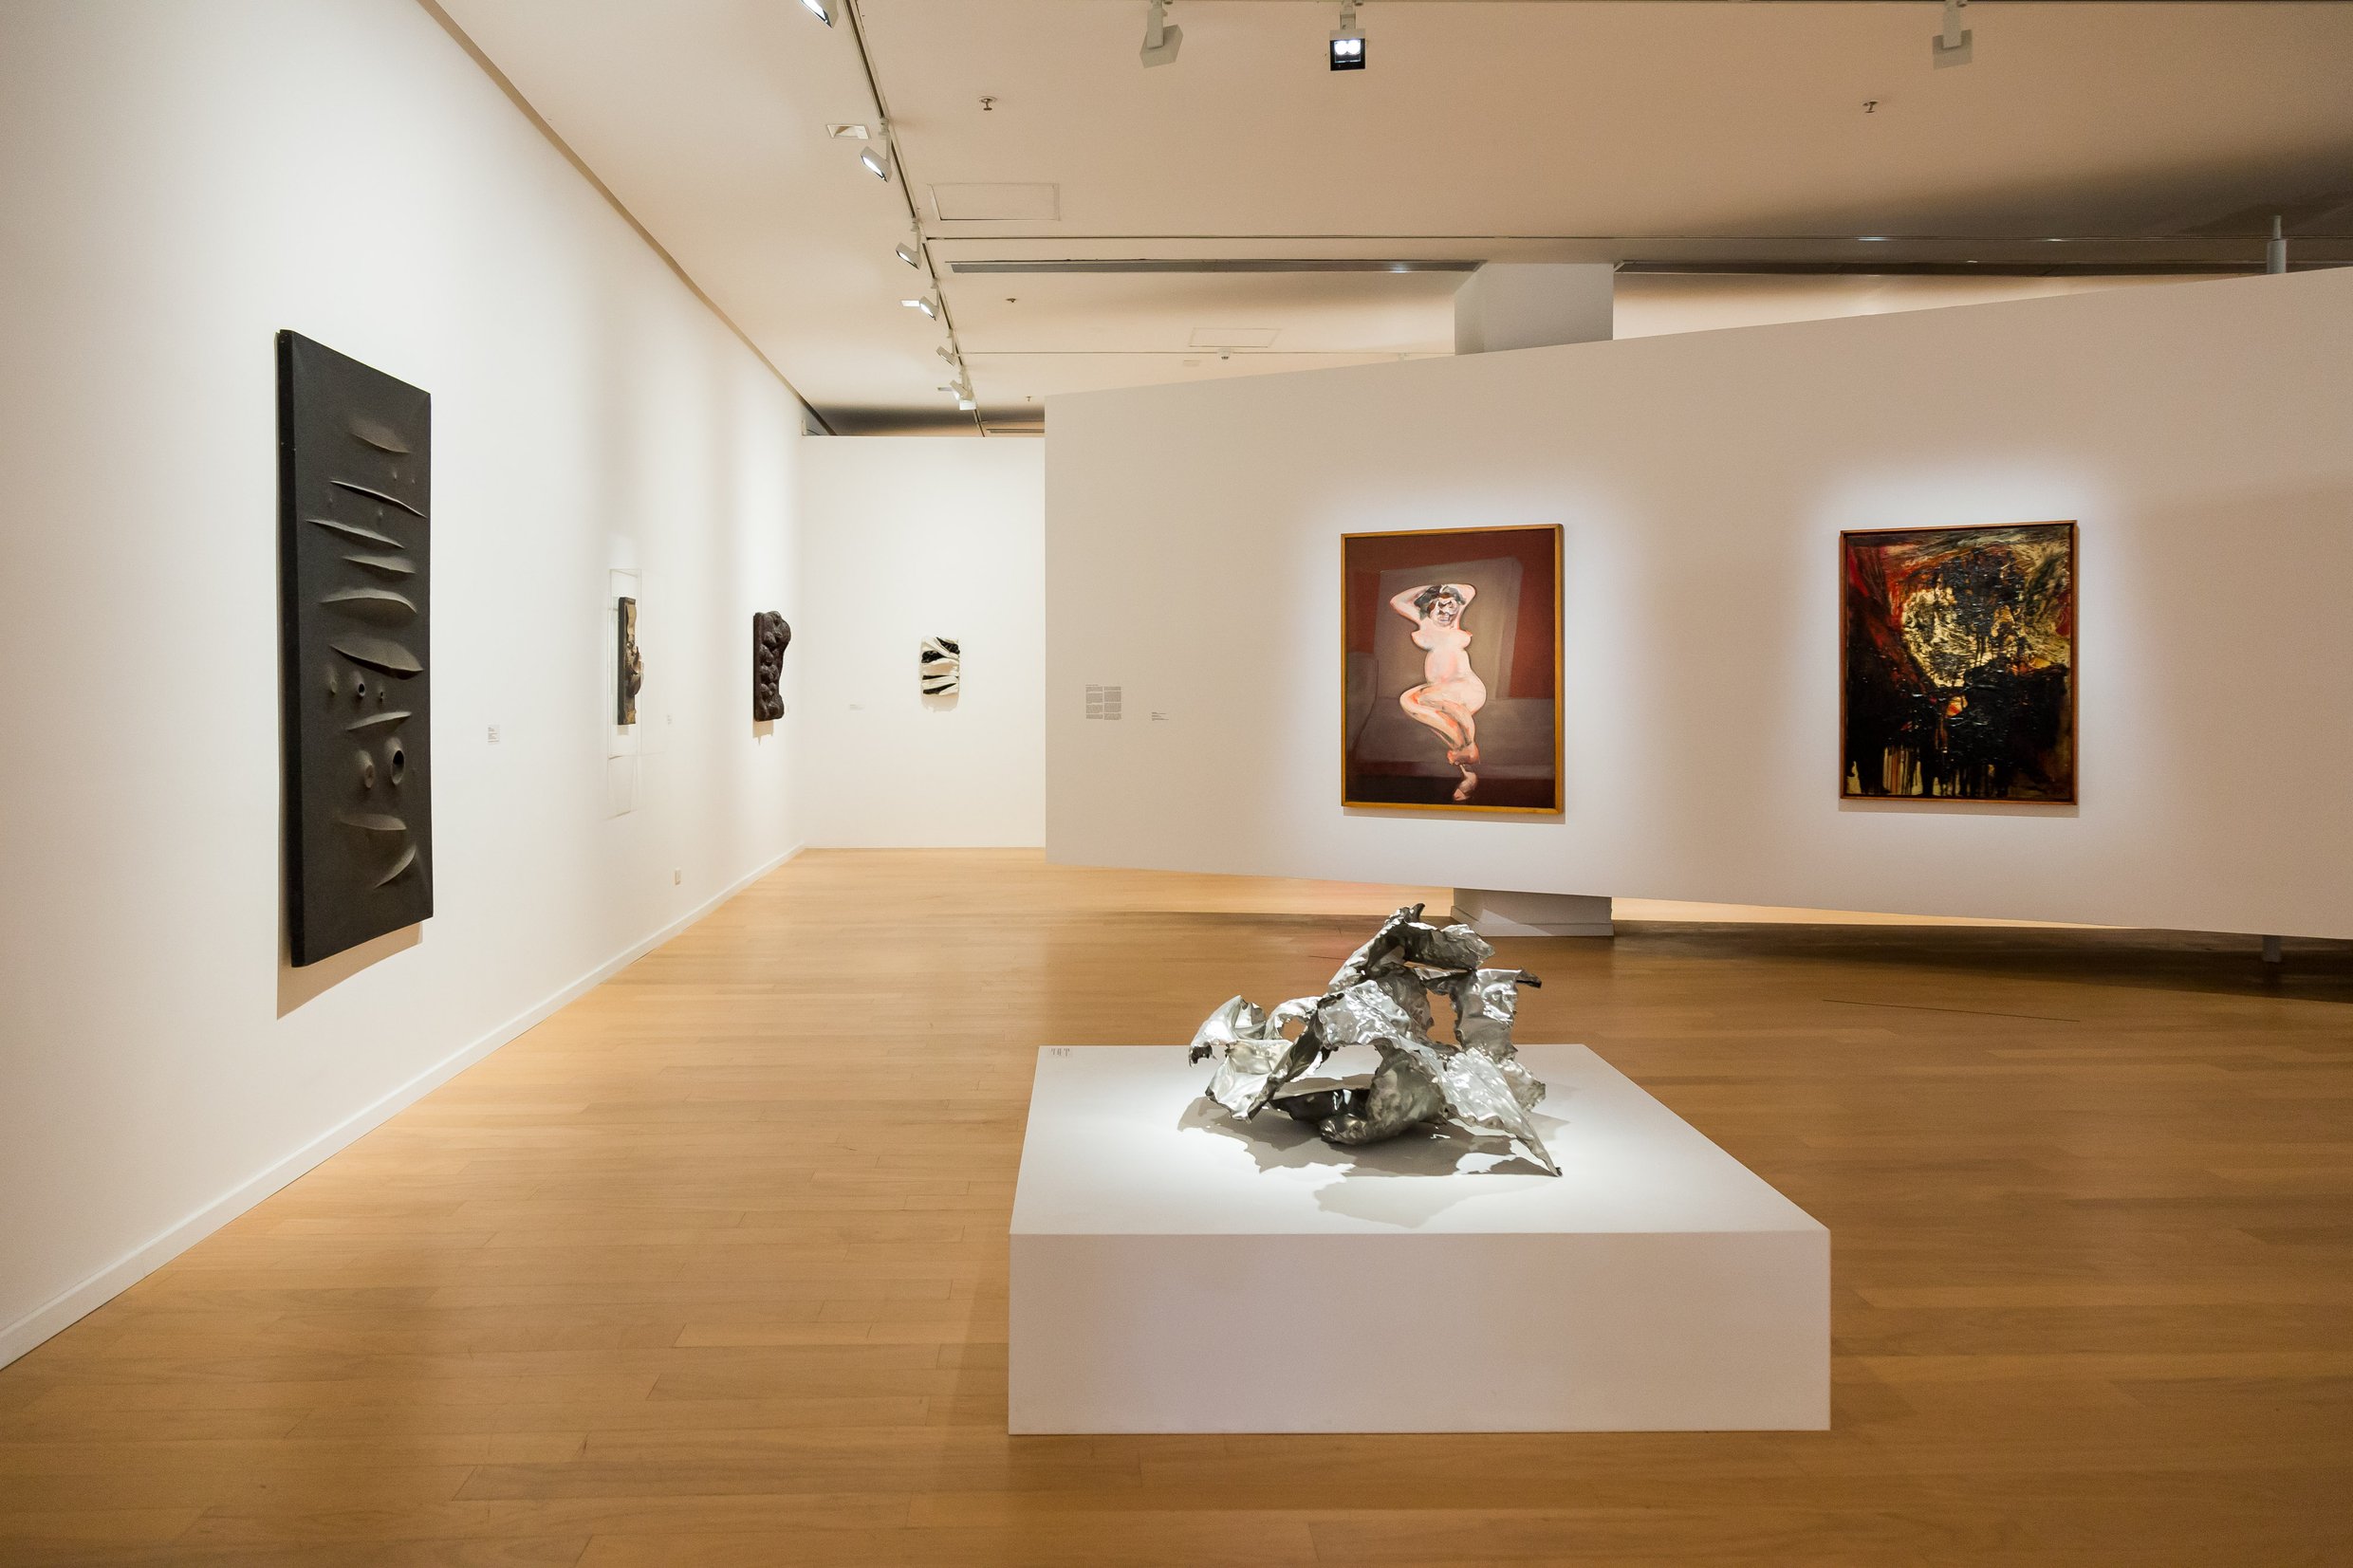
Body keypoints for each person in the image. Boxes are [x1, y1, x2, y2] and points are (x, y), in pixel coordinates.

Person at [1388, 581, 1485, 802]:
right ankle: (1469, 772)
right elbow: (1396, 601)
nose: (1447, 612)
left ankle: (1468, 749)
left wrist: (1442, 593)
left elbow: (1469, 590)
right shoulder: (1423, 620)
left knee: (1412, 700)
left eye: (1451, 606)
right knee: (1442, 724)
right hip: (1439, 689)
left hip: (1465, 686)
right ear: (1428, 608)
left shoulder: (1454, 621)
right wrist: (1432, 594)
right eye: (1440, 608)